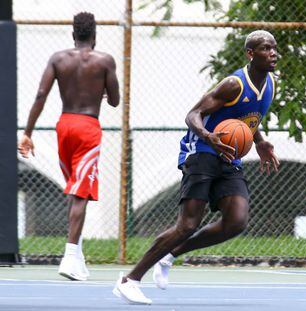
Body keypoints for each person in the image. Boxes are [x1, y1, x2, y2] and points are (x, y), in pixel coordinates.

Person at [113, 30, 279, 304]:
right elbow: (193, 115)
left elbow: (246, 120)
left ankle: (170, 255)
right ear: (251, 54)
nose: (273, 53)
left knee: (236, 221)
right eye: (265, 48)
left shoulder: (271, 84)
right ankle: (129, 280)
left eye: (274, 48)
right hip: (201, 150)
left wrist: (258, 141)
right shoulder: (233, 84)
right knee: (187, 224)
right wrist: (207, 137)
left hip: (228, 155)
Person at [18, 12, 120, 281]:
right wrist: (104, 90)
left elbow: (41, 95)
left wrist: (28, 133)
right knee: (80, 194)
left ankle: (79, 256)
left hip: (64, 125)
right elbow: (115, 100)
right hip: (87, 126)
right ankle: (70, 256)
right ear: (95, 36)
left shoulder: (58, 59)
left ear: (73, 35)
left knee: (75, 189)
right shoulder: (105, 61)